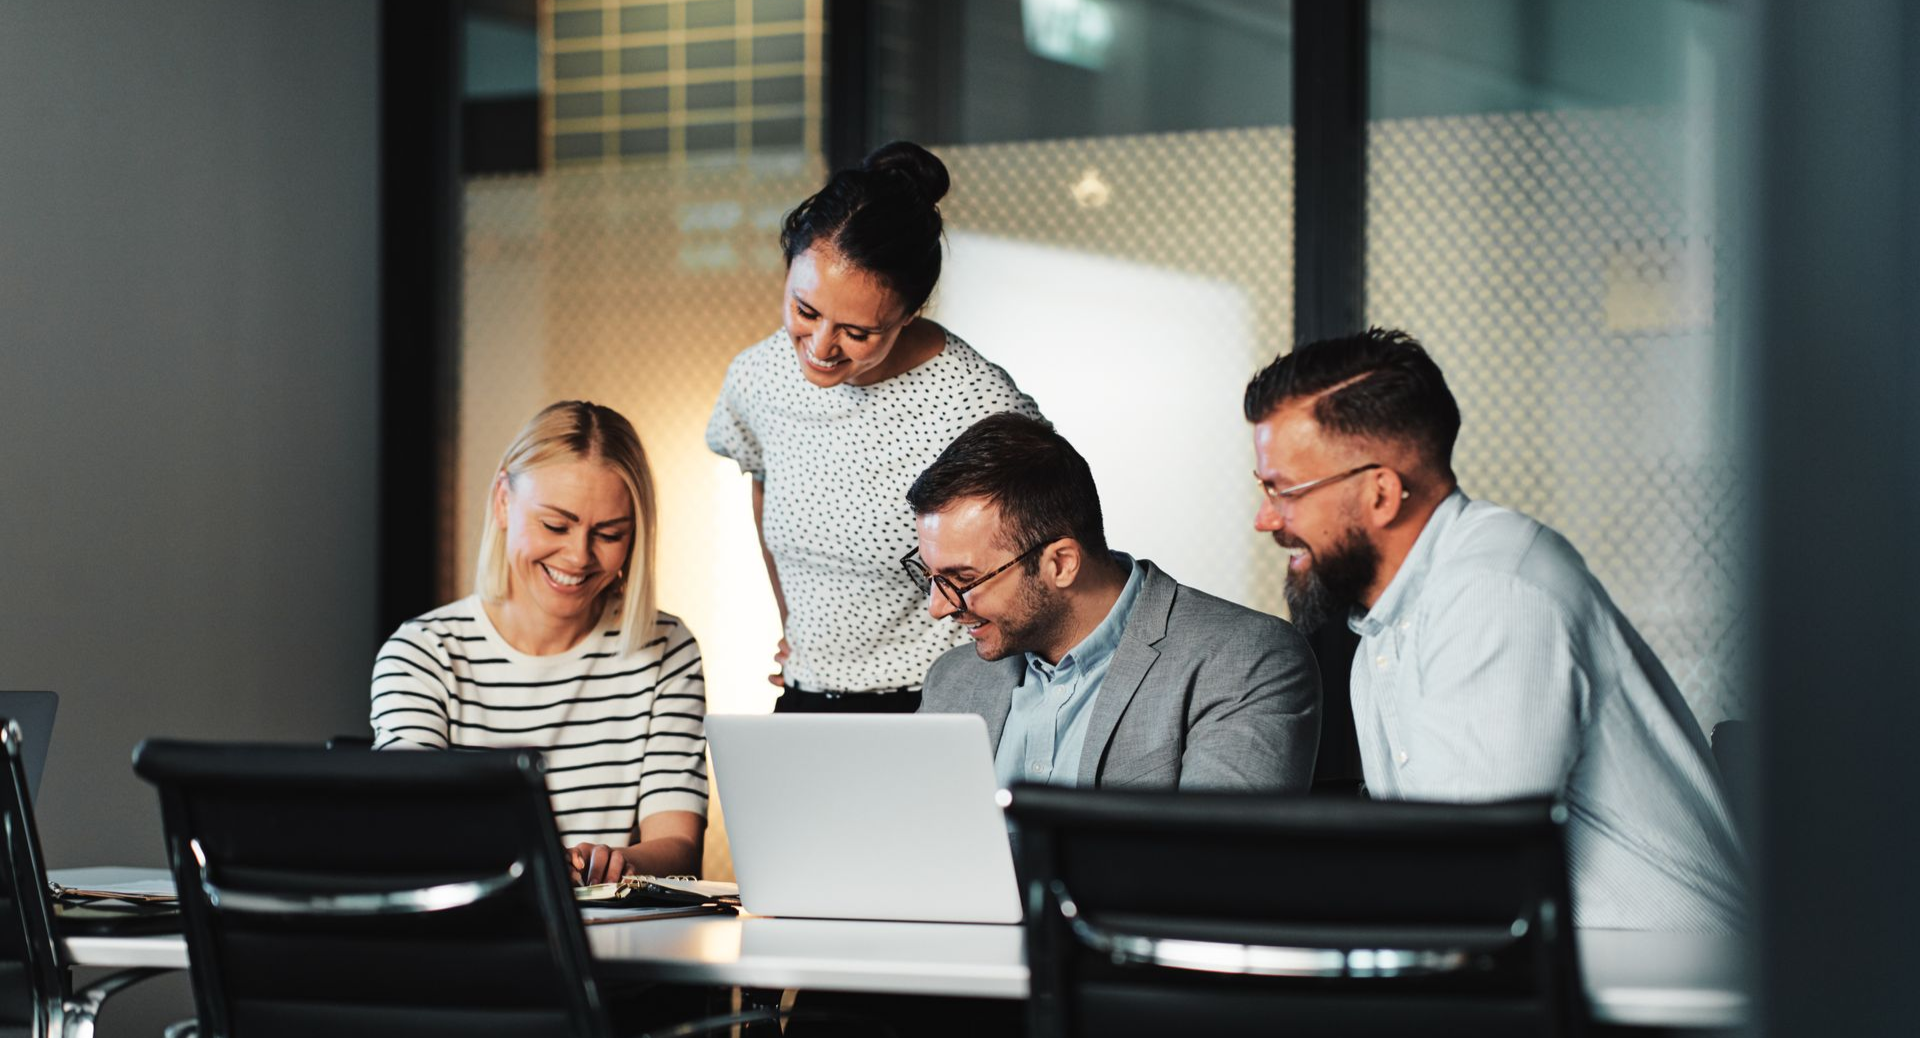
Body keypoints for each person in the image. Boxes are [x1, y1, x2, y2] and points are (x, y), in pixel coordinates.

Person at [1244, 328, 1746, 932]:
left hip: (1666, 986)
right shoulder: (1381, 634)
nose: (1265, 518)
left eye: (1285, 490)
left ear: (1381, 494)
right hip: (1557, 972)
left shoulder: (1495, 589)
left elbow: (1472, 884)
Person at [706, 140, 1042, 714]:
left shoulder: (976, 405)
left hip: (939, 702)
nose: (819, 347)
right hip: (806, 694)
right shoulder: (758, 377)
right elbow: (763, 480)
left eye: (857, 332)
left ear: (911, 312)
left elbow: (1034, 560)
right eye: (805, 310)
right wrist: (796, 625)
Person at [372, 400, 707, 887]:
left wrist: (621, 864)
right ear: (503, 501)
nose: (578, 556)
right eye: (555, 525)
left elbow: (679, 847)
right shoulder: (423, 654)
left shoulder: (667, 650)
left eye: (609, 534)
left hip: (616, 947)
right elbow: (409, 827)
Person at [910, 413, 1321, 791]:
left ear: (1062, 563)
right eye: (930, 577)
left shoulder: (1244, 660)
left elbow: (1216, 860)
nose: (938, 607)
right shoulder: (952, 680)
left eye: (963, 579)